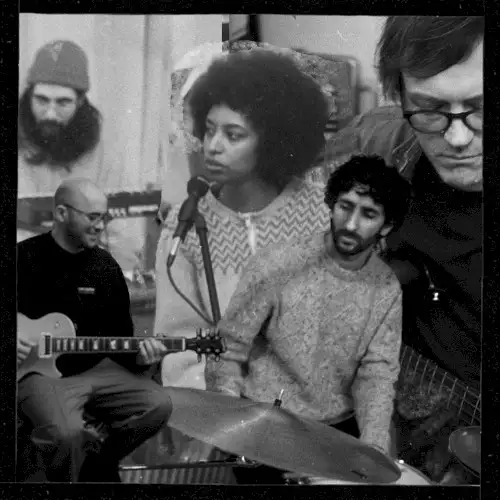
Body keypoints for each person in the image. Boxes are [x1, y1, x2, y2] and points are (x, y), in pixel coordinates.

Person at [151, 47, 330, 481]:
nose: (213, 146)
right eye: (210, 129)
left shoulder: (322, 213)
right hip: (235, 429)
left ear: (272, 140)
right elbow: (179, 343)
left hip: (321, 424)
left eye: (233, 135)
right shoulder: (185, 224)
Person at [205, 155, 412, 484]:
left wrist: (372, 450)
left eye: (368, 214)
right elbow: (228, 347)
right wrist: (232, 425)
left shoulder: (386, 288)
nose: (351, 224)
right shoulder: (276, 263)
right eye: (345, 207)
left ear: (387, 226)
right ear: (331, 205)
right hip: (264, 427)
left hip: (335, 435)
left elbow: (377, 375)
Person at [322, 16, 483, 391]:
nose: (457, 138)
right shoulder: (376, 142)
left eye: (483, 108)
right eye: (429, 110)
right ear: (400, 97)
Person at [16, 178, 172, 483]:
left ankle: (96, 465)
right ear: (62, 213)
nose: (101, 226)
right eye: (93, 217)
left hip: (97, 370)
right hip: (39, 374)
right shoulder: (23, 257)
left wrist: (143, 358)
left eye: (105, 217)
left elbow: (123, 342)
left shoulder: (105, 267)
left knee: (158, 404)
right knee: (66, 432)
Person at [18, 40, 103, 197]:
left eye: (63, 103)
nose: (50, 114)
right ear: (29, 96)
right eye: (41, 100)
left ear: (80, 101)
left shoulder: (104, 153)